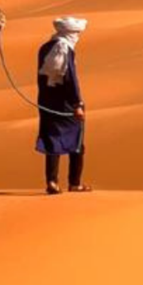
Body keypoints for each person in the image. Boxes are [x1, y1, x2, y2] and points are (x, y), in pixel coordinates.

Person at [36, 17, 90, 194]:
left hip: (46, 101)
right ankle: (75, 183)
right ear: (69, 33)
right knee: (77, 142)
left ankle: (52, 182)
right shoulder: (65, 49)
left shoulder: (44, 48)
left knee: (52, 139)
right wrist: (77, 104)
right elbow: (70, 79)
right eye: (76, 33)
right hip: (65, 104)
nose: (78, 36)